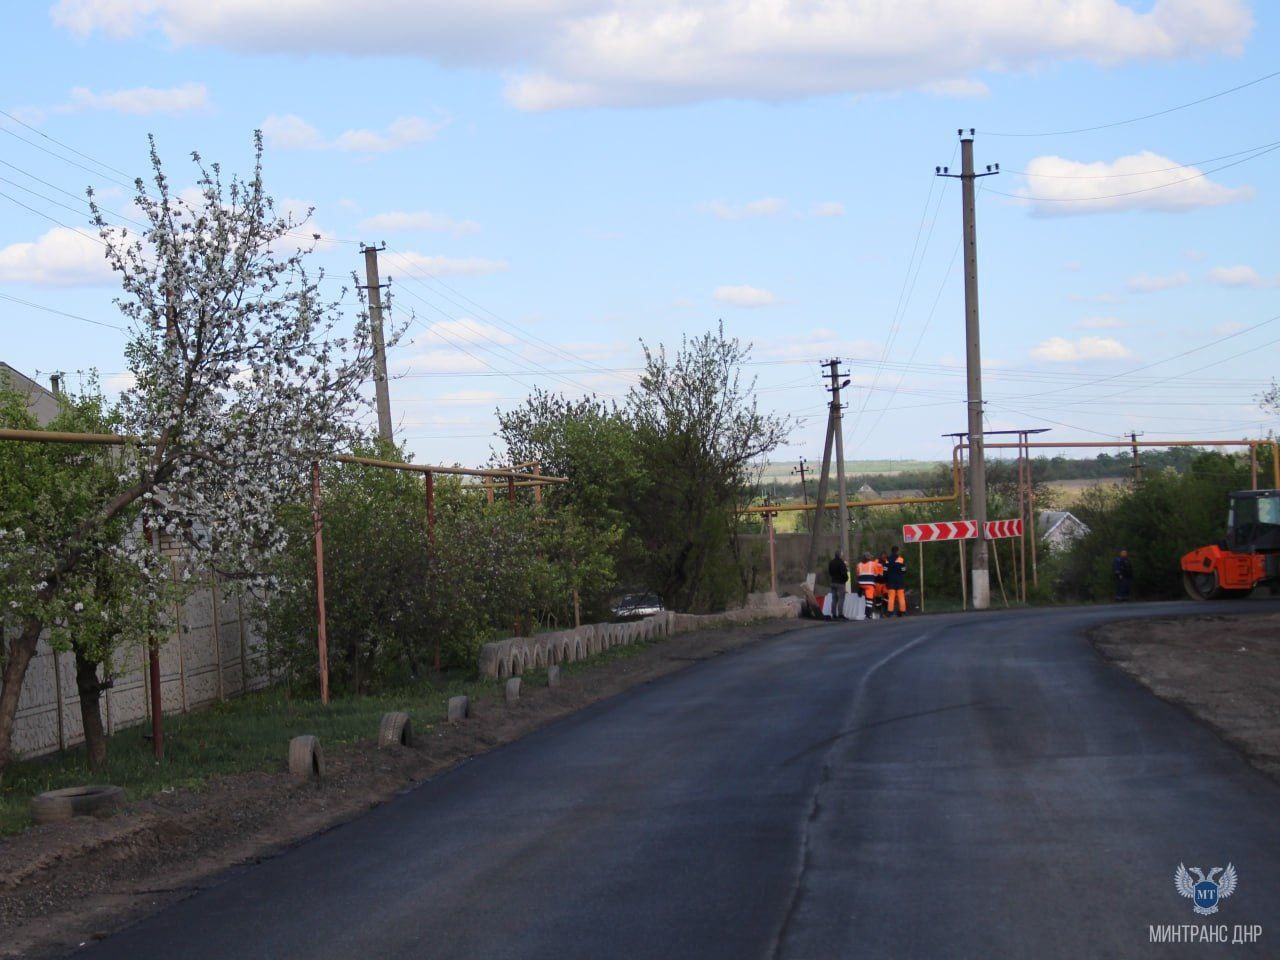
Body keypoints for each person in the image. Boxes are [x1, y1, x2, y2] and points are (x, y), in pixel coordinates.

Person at [885, 545, 908, 617]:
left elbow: (885, 570)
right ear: (897, 551)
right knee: (901, 596)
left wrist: (886, 578)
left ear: (891, 551)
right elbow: (904, 571)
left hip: (891, 580)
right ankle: (902, 611)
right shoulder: (901, 559)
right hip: (899, 581)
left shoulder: (887, 559)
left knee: (891, 597)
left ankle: (890, 612)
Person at [827, 550, 849, 620]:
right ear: (840, 555)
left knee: (834, 599)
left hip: (833, 582)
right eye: (842, 555)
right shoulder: (841, 563)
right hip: (840, 583)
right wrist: (845, 579)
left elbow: (830, 572)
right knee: (841, 599)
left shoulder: (831, 562)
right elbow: (844, 573)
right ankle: (840, 614)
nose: (842, 556)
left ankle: (833, 614)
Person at [855, 551, 878, 618]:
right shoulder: (873, 564)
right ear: (869, 558)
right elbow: (876, 574)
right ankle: (867, 613)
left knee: (864, 591)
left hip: (861, 583)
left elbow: (857, 574)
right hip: (870, 584)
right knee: (869, 600)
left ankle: (860, 590)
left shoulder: (859, 564)